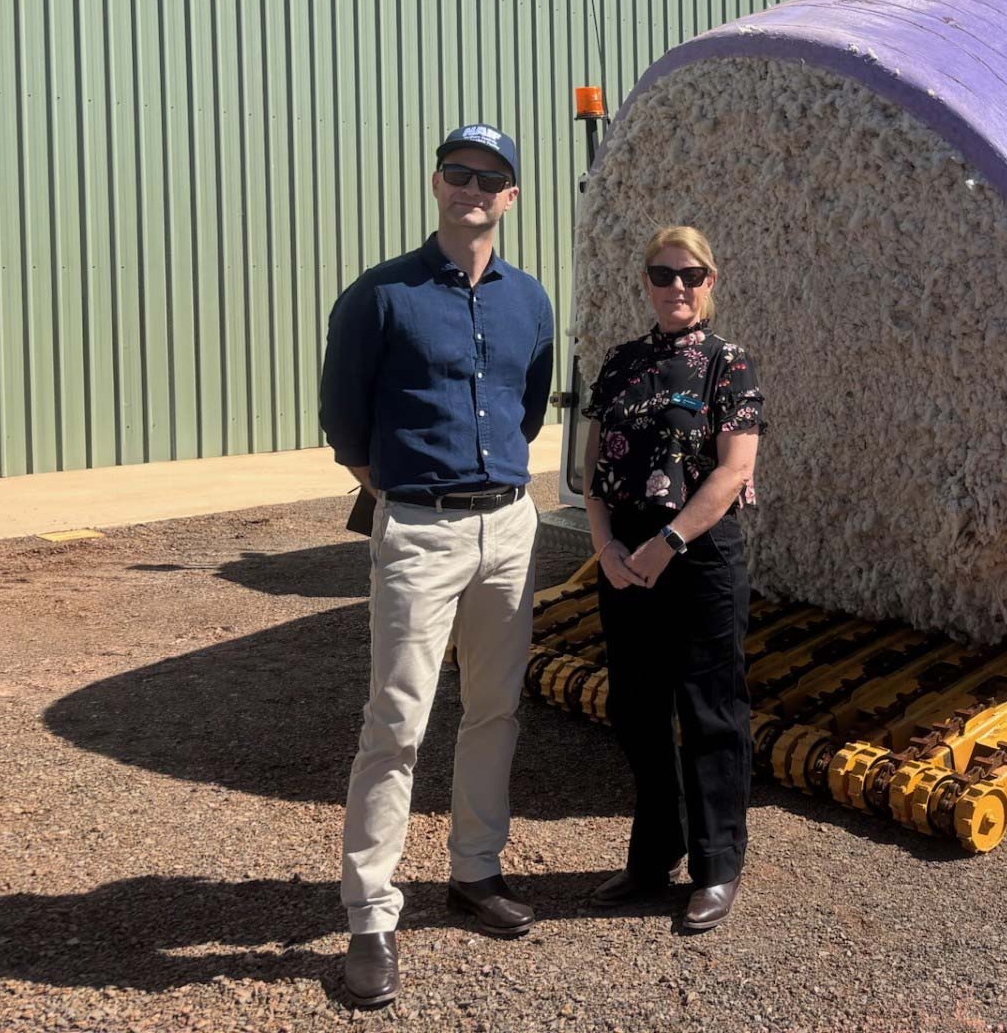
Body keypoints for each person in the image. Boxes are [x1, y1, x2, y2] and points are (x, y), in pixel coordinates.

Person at [318, 123, 555, 1009]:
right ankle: (371, 913)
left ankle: (475, 872)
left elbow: (527, 407)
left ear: (510, 198)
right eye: (458, 172)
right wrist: (407, 493)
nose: (472, 188)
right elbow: (347, 421)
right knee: (399, 721)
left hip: (510, 527)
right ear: (435, 183)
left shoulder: (530, 299)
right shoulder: (382, 295)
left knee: (495, 707)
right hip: (421, 529)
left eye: (490, 178)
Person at [581, 225, 763, 932]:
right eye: (662, 275)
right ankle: (653, 855)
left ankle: (718, 866)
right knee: (637, 709)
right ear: (647, 282)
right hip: (626, 561)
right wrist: (605, 548)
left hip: (699, 558)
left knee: (711, 710)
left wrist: (667, 540)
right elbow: (593, 470)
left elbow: (733, 469)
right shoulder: (621, 363)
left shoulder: (729, 365)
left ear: (710, 282)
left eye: (690, 275)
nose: (676, 288)